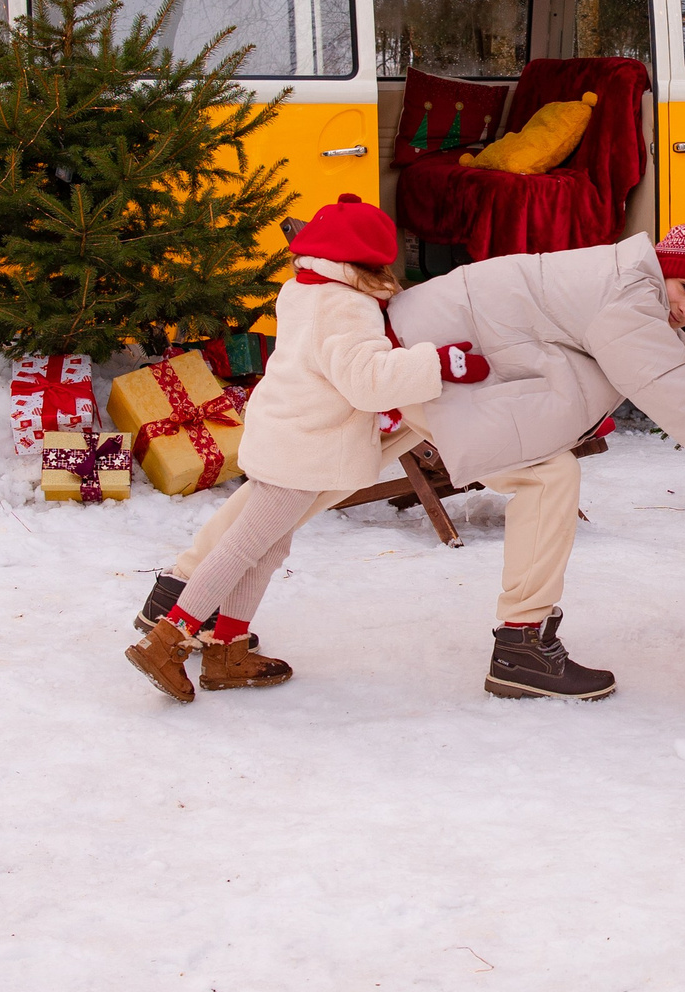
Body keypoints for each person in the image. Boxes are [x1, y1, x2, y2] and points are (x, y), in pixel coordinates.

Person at [124, 195, 485, 703]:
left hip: (288, 435)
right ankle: (168, 640)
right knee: (245, 546)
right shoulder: (346, 305)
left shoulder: (304, 289)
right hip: (305, 448)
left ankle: (227, 649)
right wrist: (438, 364)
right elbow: (366, 383)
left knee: (269, 548)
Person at [382, 212, 685, 702]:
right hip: (429, 354)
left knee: (305, 476)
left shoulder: (630, 283)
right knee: (547, 478)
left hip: (420, 343)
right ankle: (520, 646)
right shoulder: (629, 298)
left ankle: (235, 614)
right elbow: (675, 398)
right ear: (663, 265)